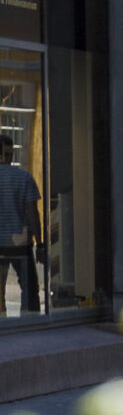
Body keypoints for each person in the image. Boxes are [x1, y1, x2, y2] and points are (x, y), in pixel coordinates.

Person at [0, 133, 39, 317]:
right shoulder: (24, 178)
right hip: (19, 244)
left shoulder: (25, 177)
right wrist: (40, 242)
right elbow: (33, 213)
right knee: (29, 288)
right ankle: (29, 324)